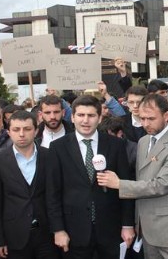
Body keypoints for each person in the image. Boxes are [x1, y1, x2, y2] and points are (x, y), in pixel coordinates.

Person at [97, 94, 168, 259]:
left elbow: (161, 185)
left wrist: (119, 184)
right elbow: (142, 179)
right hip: (146, 230)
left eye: (151, 118)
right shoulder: (143, 142)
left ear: (166, 116)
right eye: (142, 118)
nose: (146, 123)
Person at [46, 95, 134, 258]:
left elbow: (125, 186)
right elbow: (53, 193)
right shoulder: (58, 147)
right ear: (72, 117)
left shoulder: (116, 145)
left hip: (110, 229)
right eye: (80, 115)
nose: (85, 120)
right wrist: (58, 229)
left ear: (100, 118)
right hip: (74, 230)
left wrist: (127, 224)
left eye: (91, 115)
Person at [0, 110, 59, 259]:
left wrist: (59, 229)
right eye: (16, 129)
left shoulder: (49, 156)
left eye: (27, 129)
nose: (21, 134)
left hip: (47, 234)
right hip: (14, 236)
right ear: (8, 132)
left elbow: (56, 196)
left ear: (36, 131)